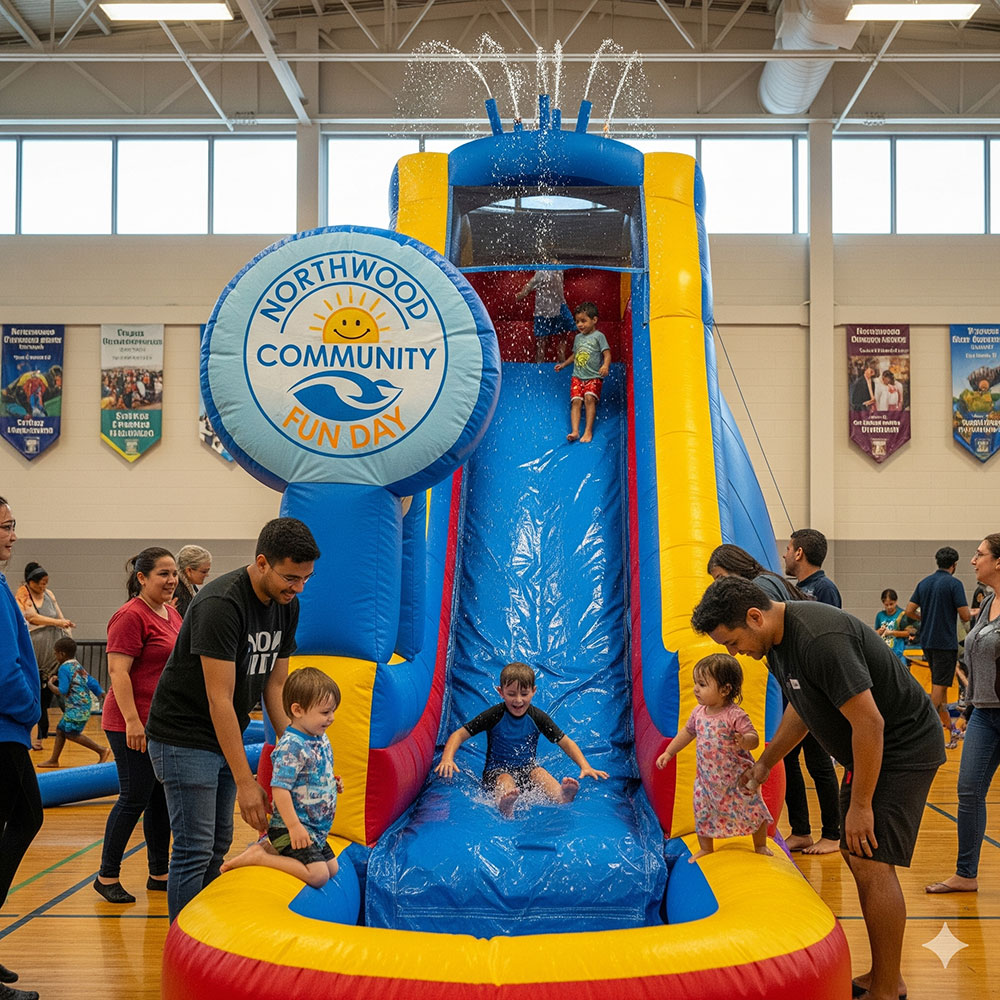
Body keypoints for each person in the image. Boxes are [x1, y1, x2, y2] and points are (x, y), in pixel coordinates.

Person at [692, 576, 945, 1000]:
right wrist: (765, 763)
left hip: (902, 748)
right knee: (856, 853)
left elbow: (870, 722)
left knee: (871, 860)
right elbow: (802, 708)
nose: (734, 653)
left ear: (754, 617)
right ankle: (883, 975)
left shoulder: (819, 638)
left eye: (733, 642)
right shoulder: (775, 646)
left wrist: (861, 805)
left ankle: (888, 989)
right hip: (870, 750)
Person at [145, 517, 320, 921]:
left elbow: (276, 686)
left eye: (306, 578)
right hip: (184, 736)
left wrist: (299, 752)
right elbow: (219, 698)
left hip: (225, 735)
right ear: (262, 563)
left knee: (219, 844)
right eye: (291, 578)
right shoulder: (221, 604)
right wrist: (246, 781)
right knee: (194, 848)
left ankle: (205, 935)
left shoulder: (286, 606)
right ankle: (182, 942)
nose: (298, 588)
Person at [95, 547, 181, 904]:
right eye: (163, 573)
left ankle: (159, 872)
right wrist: (133, 721)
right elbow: (118, 672)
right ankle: (107, 875)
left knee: (160, 799)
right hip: (129, 722)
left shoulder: (172, 613)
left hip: (159, 723)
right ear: (142, 578)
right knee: (134, 797)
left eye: (174, 573)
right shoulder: (130, 616)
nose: (172, 580)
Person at [434, 661, 609, 817]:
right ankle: (505, 804)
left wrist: (585, 766)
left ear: (533, 691)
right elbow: (459, 734)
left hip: (526, 769)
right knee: (505, 779)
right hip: (497, 771)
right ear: (501, 692)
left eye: (524, 694)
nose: (518, 700)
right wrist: (447, 758)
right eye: (511, 694)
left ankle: (561, 796)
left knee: (539, 773)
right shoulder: (494, 715)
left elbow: (566, 742)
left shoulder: (538, 717)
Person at [925, 535, 1000, 895]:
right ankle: (966, 874)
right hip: (984, 713)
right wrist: (968, 708)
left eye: (980, 554)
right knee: (968, 791)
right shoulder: (987, 603)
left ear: (998, 562)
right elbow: (973, 657)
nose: (973, 560)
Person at [221, 667, 343, 887]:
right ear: (298, 710)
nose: (331, 718)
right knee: (319, 875)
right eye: (325, 712)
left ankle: (267, 849)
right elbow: (280, 790)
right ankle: (260, 856)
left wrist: (330, 783)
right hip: (291, 827)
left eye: (333, 711)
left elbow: (311, 774)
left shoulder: (318, 737)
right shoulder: (292, 747)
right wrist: (294, 827)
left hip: (314, 828)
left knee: (333, 868)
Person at [655, 653, 773, 863]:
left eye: (702, 684)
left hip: (737, 779)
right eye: (695, 683)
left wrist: (744, 741)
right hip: (708, 780)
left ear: (725, 690)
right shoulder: (698, 713)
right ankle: (706, 848)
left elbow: (754, 739)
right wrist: (669, 752)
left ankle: (760, 844)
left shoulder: (734, 715)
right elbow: (687, 733)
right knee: (702, 811)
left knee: (753, 809)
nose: (695, 689)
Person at [0, 500, 43, 1000]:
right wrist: (31, 708)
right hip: (5, 730)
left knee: (26, 817)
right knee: (28, 815)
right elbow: (4, 667)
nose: (13, 535)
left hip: (7, 728)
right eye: (6, 526)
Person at [780, 528, 843, 854]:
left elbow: (827, 638)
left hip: (816, 693)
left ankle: (832, 833)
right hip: (795, 691)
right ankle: (801, 830)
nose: (784, 554)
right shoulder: (793, 589)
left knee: (818, 763)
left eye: (788, 548)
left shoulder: (823, 588)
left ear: (800, 552)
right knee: (788, 759)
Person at [904, 546, 971, 751]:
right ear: (954, 565)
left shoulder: (924, 583)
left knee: (939, 691)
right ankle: (921, 734)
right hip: (945, 644)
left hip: (928, 642)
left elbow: (909, 611)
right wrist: (973, 612)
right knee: (939, 689)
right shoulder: (954, 584)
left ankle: (951, 732)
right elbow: (965, 615)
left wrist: (924, 617)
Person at [14, 562, 74, 747]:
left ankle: (55, 730)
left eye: (46, 583)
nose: (43, 586)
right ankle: (37, 735)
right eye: (40, 583)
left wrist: (66, 628)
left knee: (51, 690)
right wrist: (58, 623)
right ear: (30, 582)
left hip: (52, 651)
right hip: (34, 651)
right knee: (35, 691)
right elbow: (31, 617)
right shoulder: (23, 595)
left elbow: (59, 615)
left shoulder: (49, 594)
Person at [36, 636, 110, 768]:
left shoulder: (63, 668)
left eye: (55, 653)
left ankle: (101, 750)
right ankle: (54, 760)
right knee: (60, 730)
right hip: (82, 705)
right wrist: (101, 693)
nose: (55, 656)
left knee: (70, 733)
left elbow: (62, 690)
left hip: (77, 707)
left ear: (62, 654)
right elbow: (90, 681)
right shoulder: (76, 665)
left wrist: (50, 684)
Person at [553, 301, 611, 444]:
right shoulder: (578, 338)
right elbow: (575, 355)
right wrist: (564, 364)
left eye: (583, 321)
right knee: (576, 402)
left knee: (589, 399)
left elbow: (607, 353)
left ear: (594, 320)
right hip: (577, 377)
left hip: (593, 377)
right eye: (577, 321)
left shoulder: (599, 336)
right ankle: (575, 431)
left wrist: (605, 366)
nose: (579, 325)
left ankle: (588, 431)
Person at [707, 543, 811, 602]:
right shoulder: (765, 580)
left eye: (720, 577)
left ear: (735, 567)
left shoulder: (762, 585)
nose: (719, 584)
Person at [514, 266, 574, 362]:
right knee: (542, 341)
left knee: (559, 337)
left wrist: (522, 294)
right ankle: (541, 363)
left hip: (557, 307)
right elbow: (530, 285)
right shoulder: (542, 273)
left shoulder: (557, 269)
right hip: (544, 310)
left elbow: (530, 285)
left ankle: (560, 359)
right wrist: (521, 294)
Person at [875, 589, 912, 669]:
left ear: (896, 601)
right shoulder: (880, 615)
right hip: (884, 651)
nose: (889, 607)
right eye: (886, 605)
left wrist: (892, 633)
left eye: (891, 604)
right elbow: (875, 633)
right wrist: (879, 631)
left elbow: (908, 633)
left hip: (899, 651)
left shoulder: (902, 614)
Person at [173, 544, 212, 619]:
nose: (207, 575)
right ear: (189, 570)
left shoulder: (190, 586)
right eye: (204, 572)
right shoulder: (178, 592)